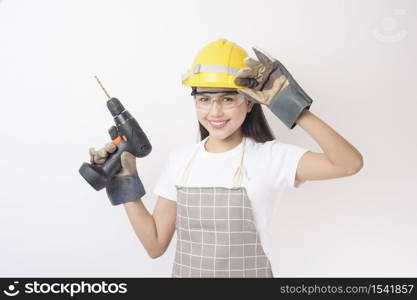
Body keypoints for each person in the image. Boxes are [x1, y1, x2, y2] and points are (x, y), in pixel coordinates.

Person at [89, 38, 363, 278]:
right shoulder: (181, 160)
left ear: (251, 101)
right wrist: (125, 182)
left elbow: (349, 164)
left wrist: (290, 106)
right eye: (204, 99)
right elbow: (155, 245)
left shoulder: (271, 157)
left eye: (228, 99)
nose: (215, 112)